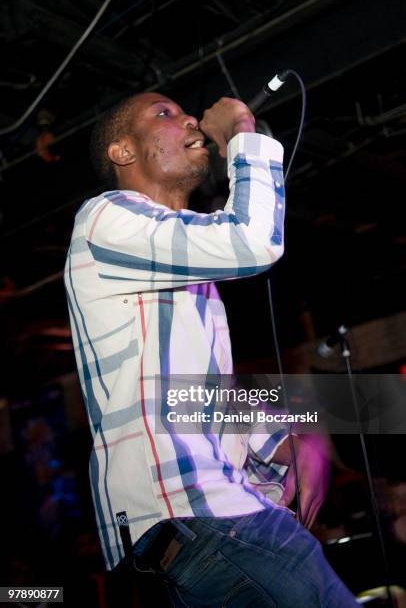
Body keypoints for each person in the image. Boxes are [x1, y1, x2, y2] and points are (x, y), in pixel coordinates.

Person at [65, 92, 358, 606]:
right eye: (164, 114)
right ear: (122, 153)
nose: (191, 120)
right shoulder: (106, 218)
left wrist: (293, 440)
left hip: (200, 532)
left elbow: (192, 397)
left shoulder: (169, 264)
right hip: (205, 516)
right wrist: (245, 131)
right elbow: (253, 242)